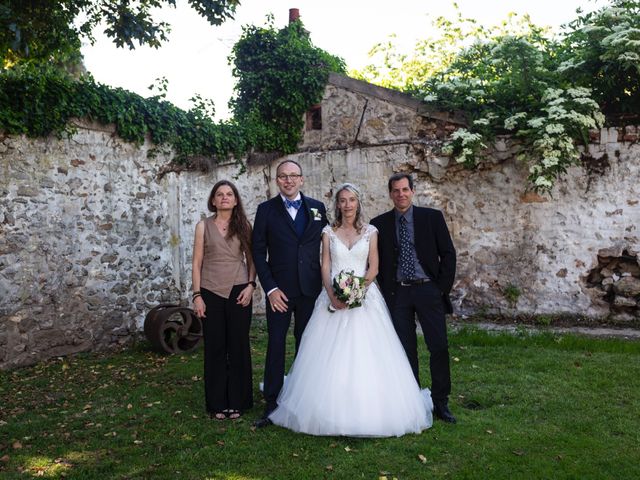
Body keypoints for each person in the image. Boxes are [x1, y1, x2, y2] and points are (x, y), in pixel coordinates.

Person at [268, 183, 432, 437]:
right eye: (342, 200)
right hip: (332, 296)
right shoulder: (328, 231)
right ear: (337, 205)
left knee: (369, 353)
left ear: (358, 203)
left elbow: (374, 267)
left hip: (365, 297)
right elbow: (325, 266)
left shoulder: (371, 231)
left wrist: (357, 291)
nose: (347, 205)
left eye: (351, 200)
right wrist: (333, 295)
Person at [371, 173, 457, 423]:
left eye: (405, 189)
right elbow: (376, 260)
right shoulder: (380, 224)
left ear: (412, 191)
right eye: (396, 190)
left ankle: (441, 402)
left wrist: (440, 288)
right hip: (399, 293)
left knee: (438, 346)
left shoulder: (431, 218)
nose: (401, 194)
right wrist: (386, 290)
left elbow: (448, 254)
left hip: (428, 289)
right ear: (390, 194)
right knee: (405, 349)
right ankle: (412, 401)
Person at [252, 160, 328, 427]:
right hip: (280, 292)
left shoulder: (318, 209)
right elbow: (258, 253)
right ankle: (272, 402)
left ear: (302, 179)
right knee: (275, 344)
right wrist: (270, 288)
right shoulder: (265, 211)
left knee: (306, 344)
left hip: (310, 288)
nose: (289, 180)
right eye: (283, 176)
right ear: (277, 181)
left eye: (293, 175)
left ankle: (303, 398)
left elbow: (331, 242)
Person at [192, 180, 256, 420]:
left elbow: (252, 260)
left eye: (229, 194)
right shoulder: (203, 226)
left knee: (238, 346)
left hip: (239, 289)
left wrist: (251, 286)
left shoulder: (243, 225)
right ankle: (217, 403)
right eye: (220, 194)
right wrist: (197, 295)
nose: (225, 198)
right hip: (210, 291)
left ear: (236, 200)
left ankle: (237, 401)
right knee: (216, 347)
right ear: (213, 200)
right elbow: (196, 263)